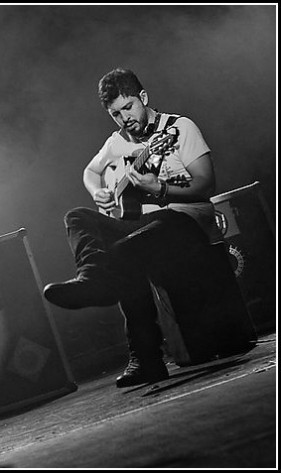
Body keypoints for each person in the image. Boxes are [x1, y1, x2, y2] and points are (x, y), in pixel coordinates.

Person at [43, 67, 231, 388]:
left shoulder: (178, 128)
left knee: (124, 251)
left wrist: (159, 189)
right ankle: (92, 278)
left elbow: (205, 184)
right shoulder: (117, 143)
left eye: (128, 108)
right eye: (115, 114)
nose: (124, 118)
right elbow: (91, 171)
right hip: (142, 226)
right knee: (78, 217)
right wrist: (99, 192)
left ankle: (145, 357)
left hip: (185, 221)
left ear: (143, 98)